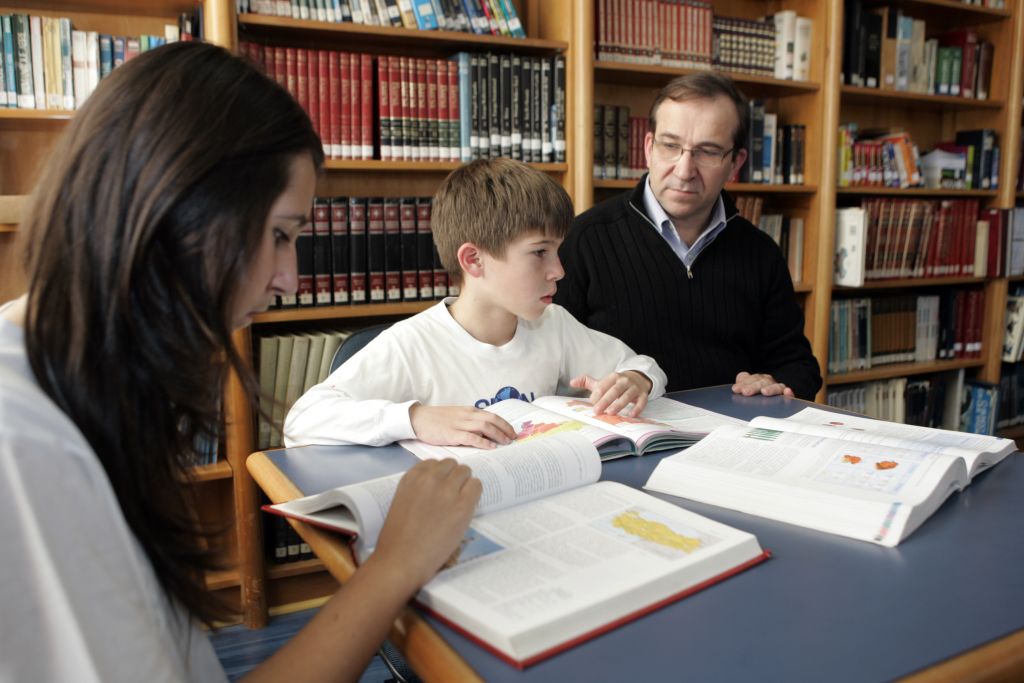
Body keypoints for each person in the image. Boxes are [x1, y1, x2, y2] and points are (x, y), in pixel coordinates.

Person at [0, 41, 482, 682]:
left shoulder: (73, 368)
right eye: (280, 234)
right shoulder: (22, 448)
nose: (289, 279)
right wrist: (397, 563)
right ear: (178, 207)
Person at [285, 157, 667, 449]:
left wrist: (636, 381)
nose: (559, 271)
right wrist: (416, 419)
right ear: (474, 260)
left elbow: (643, 366)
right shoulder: (412, 344)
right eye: (539, 253)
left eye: (557, 251)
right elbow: (302, 420)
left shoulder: (554, 324)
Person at [555, 72, 822, 401]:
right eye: (670, 146)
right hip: (627, 440)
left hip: (729, 439)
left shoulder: (760, 252)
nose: (684, 170)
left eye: (707, 152)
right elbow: (545, 361)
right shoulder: (585, 240)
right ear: (649, 147)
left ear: (735, 162)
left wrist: (774, 382)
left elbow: (799, 365)